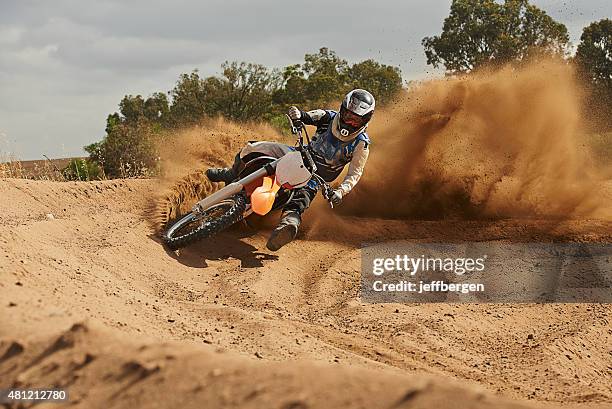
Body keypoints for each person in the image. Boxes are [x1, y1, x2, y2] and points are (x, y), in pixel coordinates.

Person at [206, 89, 375, 251]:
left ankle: (288, 224)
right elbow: (309, 116)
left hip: (316, 177)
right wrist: (298, 114)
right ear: (342, 109)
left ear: (365, 121)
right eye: (348, 116)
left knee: (303, 196)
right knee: (256, 147)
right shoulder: (329, 117)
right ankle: (232, 173)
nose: (350, 122)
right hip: (299, 154)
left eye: (356, 121)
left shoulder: (361, 143)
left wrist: (340, 192)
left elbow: (355, 173)